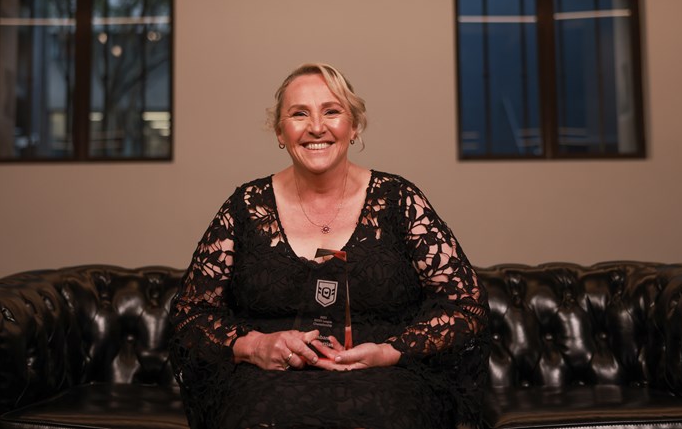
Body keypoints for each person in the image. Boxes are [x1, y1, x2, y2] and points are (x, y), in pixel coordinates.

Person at [169, 63, 488, 429]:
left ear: (353, 127)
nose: (316, 127)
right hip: (265, 381)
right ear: (280, 132)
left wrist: (390, 351)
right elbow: (191, 314)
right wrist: (254, 346)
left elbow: (467, 306)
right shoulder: (244, 207)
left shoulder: (399, 201)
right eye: (299, 113)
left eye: (332, 111)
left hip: (385, 378)